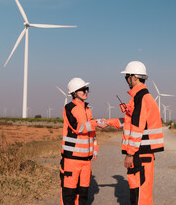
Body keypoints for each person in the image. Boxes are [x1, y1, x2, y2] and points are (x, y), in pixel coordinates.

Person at [101, 61, 164, 205]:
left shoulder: (141, 98)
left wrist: (130, 153)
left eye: (127, 77)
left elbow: (136, 128)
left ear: (134, 77)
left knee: (140, 197)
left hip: (139, 154)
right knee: (138, 194)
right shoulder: (140, 98)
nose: (126, 80)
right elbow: (129, 122)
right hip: (141, 153)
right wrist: (108, 122)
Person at [60, 77, 104, 205]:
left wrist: (95, 149)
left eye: (86, 89)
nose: (86, 92)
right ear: (74, 93)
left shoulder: (87, 109)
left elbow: (92, 132)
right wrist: (96, 122)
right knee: (69, 193)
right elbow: (77, 128)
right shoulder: (69, 108)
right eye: (82, 90)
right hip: (71, 159)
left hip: (86, 159)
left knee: (83, 194)